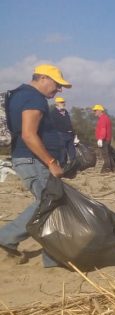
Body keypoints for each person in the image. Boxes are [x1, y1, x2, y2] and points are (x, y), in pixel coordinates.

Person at [0, 64, 72, 268]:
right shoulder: (33, 98)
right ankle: (6, 237)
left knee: (50, 204)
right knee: (48, 203)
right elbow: (29, 135)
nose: (59, 90)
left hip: (28, 159)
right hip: (33, 160)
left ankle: (52, 258)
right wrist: (51, 162)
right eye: (57, 84)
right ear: (42, 78)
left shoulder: (21, 95)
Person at [46, 96, 76, 169]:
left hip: (69, 134)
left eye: (63, 102)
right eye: (61, 102)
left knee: (72, 150)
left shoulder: (66, 112)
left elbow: (69, 123)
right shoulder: (53, 113)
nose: (63, 104)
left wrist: (75, 134)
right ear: (57, 103)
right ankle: (63, 166)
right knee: (62, 151)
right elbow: (54, 125)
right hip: (60, 134)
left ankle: (74, 165)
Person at [93, 104, 114, 172]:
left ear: (100, 111)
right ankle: (112, 168)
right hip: (107, 139)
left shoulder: (103, 119)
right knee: (108, 154)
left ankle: (107, 169)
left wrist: (100, 139)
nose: (94, 112)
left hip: (104, 140)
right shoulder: (105, 118)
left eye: (95, 110)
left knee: (105, 155)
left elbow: (103, 129)